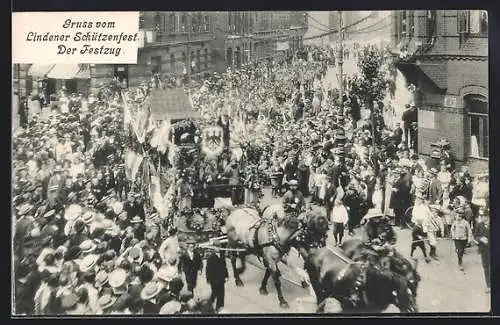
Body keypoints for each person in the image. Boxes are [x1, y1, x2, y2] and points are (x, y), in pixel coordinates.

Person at [450, 207, 473, 271]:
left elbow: (469, 231)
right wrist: (453, 235)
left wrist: (469, 239)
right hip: (457, 239)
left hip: (463, 239)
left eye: (459, 216)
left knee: (461, 251)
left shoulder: (465, 223)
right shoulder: (455, 222)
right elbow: (452, 229)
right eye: (457, 216)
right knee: (459, 251)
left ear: (461, 216)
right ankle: (460, 262)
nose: (457, 217)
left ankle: (460, 257)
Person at [473, 208, 490, 293]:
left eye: (482, 216)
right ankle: (489, 285)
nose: (480, 217)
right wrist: (480, 239)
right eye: (480, 216)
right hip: (484, 250)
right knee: (486, 267)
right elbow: (475, 236)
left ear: (487, 216)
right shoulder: (479, 225)